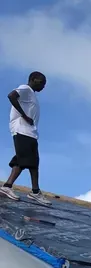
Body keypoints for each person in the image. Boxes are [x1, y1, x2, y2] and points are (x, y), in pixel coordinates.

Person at [0, 72, 50, 205]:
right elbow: (11, 96)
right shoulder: (26, 89)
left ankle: (14, 188)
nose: (43, 86)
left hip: (30, 133)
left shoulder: (31, 94)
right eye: (41, 82)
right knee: (29, 161)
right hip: (22, 129)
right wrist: (24, 116)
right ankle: (30, 191)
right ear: (33, 79)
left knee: (26, 161)